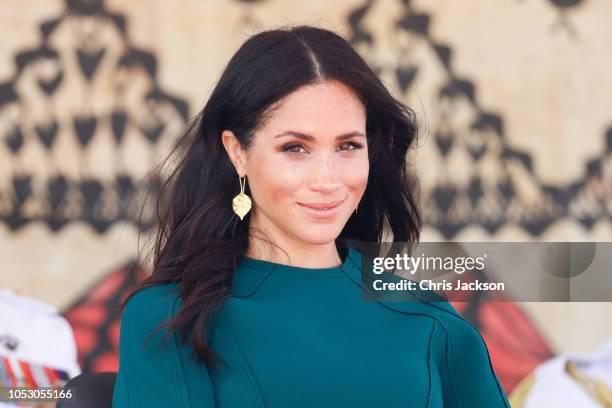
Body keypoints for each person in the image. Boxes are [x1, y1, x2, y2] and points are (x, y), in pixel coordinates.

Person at [112, 25, 510, 407]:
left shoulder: (430, 321)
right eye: (295, 149)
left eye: (348, 146)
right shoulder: (170, 318)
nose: (327, 179)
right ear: (238, 152)